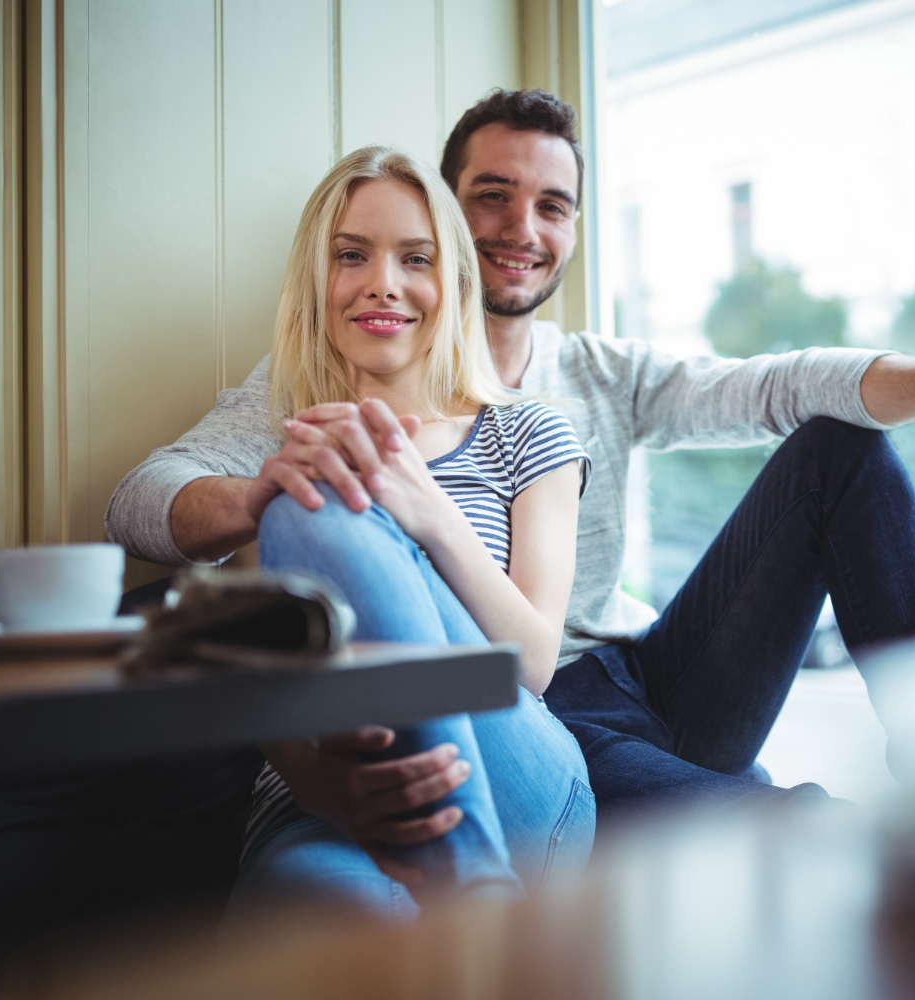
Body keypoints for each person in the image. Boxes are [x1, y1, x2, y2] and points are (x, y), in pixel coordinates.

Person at [106, 90, 915, 841]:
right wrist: (272, 492)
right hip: (534, 722)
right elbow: (141, 503)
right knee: (768, 824)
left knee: (836, 446)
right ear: (444, 214)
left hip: (654, 676)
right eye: (492, 196)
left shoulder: (595, 375)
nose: (524, 226)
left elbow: (781, 385)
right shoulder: (315, 386)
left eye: (551, 204)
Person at [223, 145, 594, 921]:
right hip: (326, 807)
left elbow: (533, 664)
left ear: (454, 282)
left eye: (415, 258)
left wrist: (423, 506)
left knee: (311, 499)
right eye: (351, 256)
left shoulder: (527, 434)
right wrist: (327, 785)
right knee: (329, 915)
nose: (382, 283)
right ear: (316, 286)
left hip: (515, 776)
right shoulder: (284, 466)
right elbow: (270, 692)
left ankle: (472, 884)